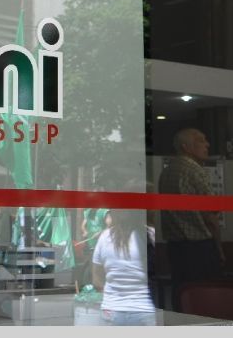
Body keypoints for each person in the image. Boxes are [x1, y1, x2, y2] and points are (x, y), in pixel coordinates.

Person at [158, 128, 223, 308]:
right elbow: (211, 215)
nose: (207, 144)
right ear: (185, 147)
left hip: (175, 247)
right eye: (201, 140)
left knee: (182, 296)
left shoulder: (166, 172)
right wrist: (219, 247)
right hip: (199, 248)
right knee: (204, 299)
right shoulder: (195, 171)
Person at [92, 209, 156, 326]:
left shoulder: (104, 237)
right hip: (143, 309)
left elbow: (96, 280)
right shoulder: (149, 235)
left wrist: (110, 296)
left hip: (111, 309)